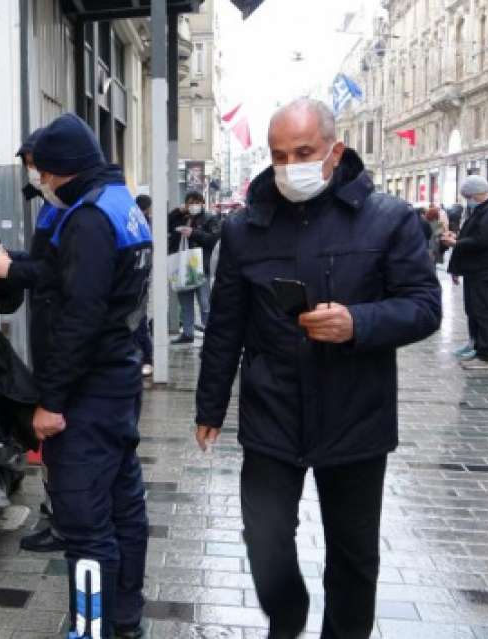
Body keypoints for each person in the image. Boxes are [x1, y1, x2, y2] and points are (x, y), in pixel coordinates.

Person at [195, 99, 441, 639]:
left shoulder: (388, 218)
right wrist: (210, 405)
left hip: (355, 412)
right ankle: (287, 617)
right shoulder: (245, 229)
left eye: (303, 153)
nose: (290, 167)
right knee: (264, 537)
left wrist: (360, 322)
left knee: (353, 556)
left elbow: (425, 306)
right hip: (272, 409)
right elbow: (225, 326)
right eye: (279, 155)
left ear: (335, 152)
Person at [19, 113, 152, 638]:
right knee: (125, 510)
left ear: (60, 172)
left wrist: (51, 400)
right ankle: (124, 622)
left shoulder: (88, 218)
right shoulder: (120, 206)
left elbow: (80, 318)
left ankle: (91, 629)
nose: (40, 182)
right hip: (118, 382)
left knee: (85, 526)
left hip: (89, 393)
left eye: (43, 173)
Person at [0, 128, 68, 555]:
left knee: (60, 432)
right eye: (31, 167)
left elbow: (55, 272)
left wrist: (12, 269)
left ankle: (65, 519)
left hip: (62, 337)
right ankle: (60, 514)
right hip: (47, 330)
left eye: (38, 166)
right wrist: (11, 258)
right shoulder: (52, 205)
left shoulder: (73, 210)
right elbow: (43, 261)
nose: (35, 175)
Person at [442, 176, 488, 370]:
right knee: (474, 309)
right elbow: (474, 235)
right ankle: (477, 346)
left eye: (469, 196)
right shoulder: (484, 208)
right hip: (476, 268)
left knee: (484, 311)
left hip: (486, 269)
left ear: (478, 193)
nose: (468, 200)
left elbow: (482, 240)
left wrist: (456, 243)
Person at [168, 191, 220, 344]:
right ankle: (188, 333)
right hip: (181, 266)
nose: (193, 206)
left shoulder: (210, 219)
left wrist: (193, 233)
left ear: (202, 203)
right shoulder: (182, 218)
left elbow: (214, 240)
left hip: (201, 266)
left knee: (205, 303)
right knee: (185, 303)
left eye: (196, 202)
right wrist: (178, 211)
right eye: (190, 203)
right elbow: (165, 224)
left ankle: (211, 333)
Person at [134, 194, 155, 376]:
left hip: (139, 282)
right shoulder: (143, 223)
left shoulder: (140, 223)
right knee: (138, 324)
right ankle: (145, 358)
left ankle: (147, 359)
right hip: (140, 281)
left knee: (139, 324)